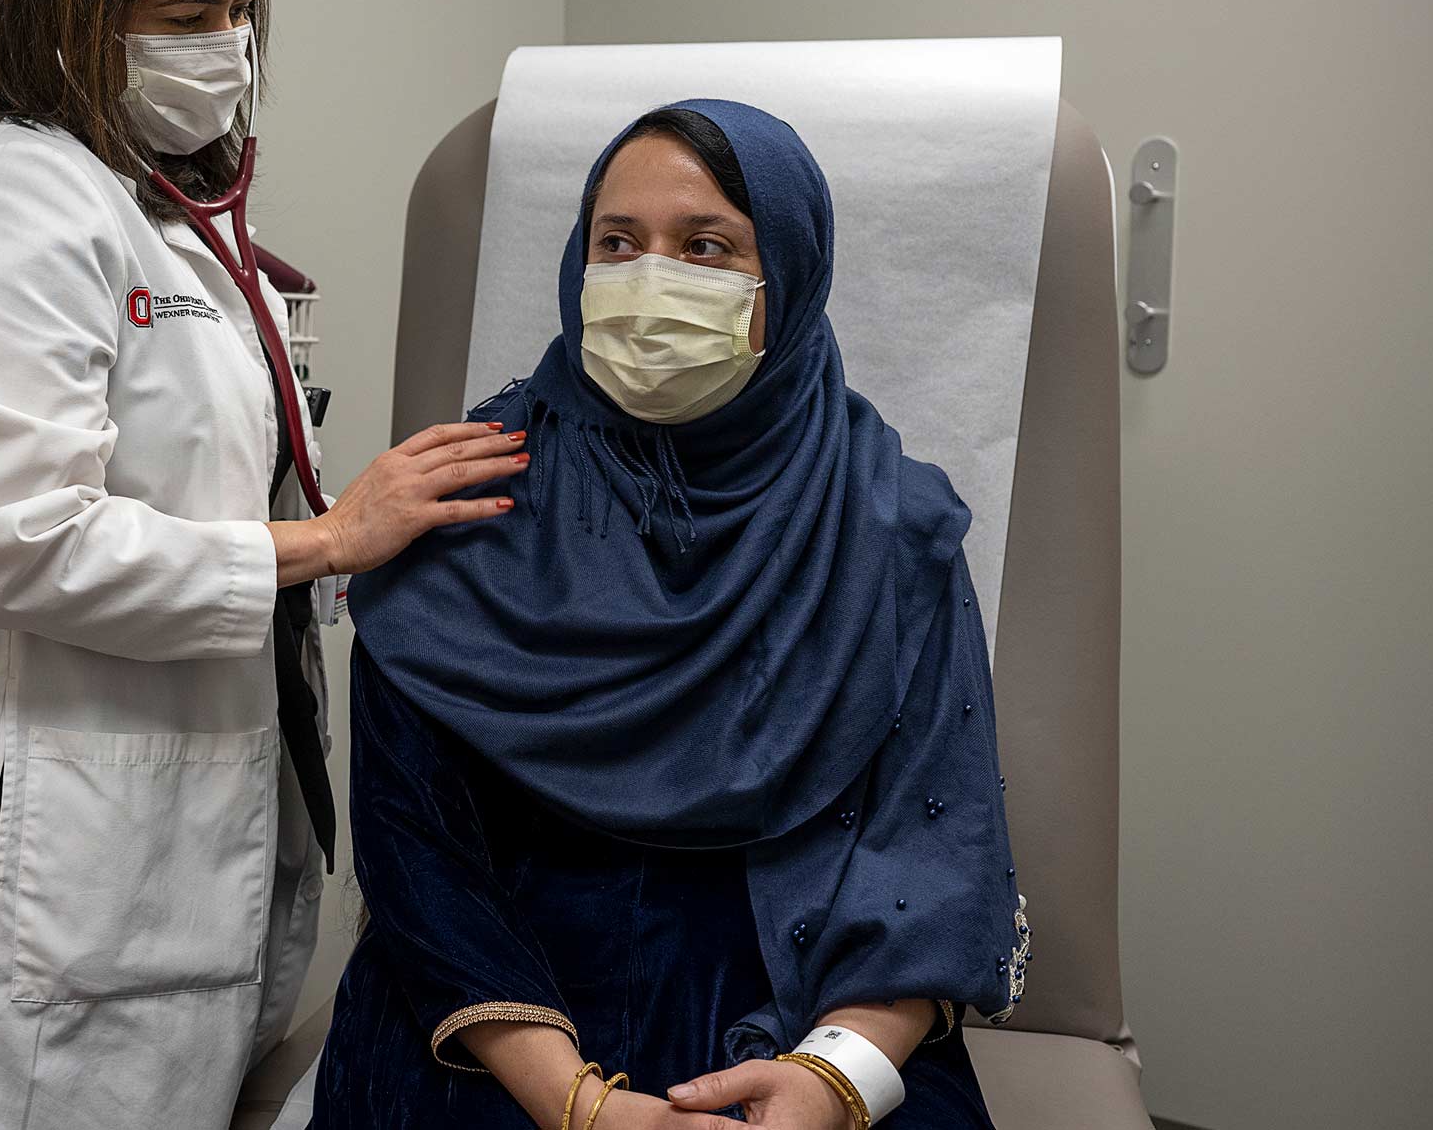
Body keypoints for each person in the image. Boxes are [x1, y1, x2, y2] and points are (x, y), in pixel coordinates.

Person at [0, 0, 525, 1130]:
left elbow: (202, 492)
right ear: (75, 10)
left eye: (242, 10)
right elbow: (24, 535)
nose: (230, 49)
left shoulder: (174, 219)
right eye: (190, 17)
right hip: (45, 873)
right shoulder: (16, 198)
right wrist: (327, 539)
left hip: (176, 848)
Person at [313, 101, 1029, 1129]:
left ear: (786, 273)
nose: (652, 280)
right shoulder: (455, 501)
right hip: (503, 1022)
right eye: (618, 244)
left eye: (705, 247)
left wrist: (836, 1078)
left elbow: (937, 845)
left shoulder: (890, 530)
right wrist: (580, 1105)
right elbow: (416, 850)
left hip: (796, 1007)